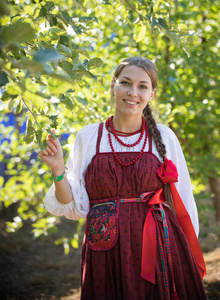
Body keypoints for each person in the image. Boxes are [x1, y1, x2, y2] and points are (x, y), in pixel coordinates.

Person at [39, 57, 207, 300]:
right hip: (105, 249)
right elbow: (71, 204)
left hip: (158, 243)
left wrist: (186, 250)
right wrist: (57, 170)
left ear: (151, 93)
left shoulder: (164, 137)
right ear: (113, 85)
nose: (133, 92)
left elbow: (183, 200)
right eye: (126, 83)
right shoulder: (89, 137)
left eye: (142, 86)